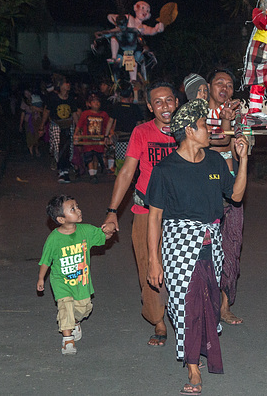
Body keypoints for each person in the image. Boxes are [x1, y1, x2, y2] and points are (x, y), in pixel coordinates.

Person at [146, 99, 249, 395]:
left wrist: (242, 159)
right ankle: (192, 368)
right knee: (187, 305)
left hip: (210, 243)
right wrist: (154, 260)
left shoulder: (215, 161)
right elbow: (155, 217)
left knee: (208, 304)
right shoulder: (166, 169)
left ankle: (196, 353)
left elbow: (237, 195)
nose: (209, 130)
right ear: (189, 130)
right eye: (204, 125)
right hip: (178, 244)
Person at [103, 81, 178, 346]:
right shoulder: (142, 132)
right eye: (158, 102)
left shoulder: (188, 130)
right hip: (145, 209)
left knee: (184, 267)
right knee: (148, 265)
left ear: (176, 102)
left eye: (169, 100)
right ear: (149, 107)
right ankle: (158, 321)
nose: (164, 106)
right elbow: (127, 172)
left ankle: (185, 318)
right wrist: (113, 211)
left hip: (181, 213)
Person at [37, 195, 114, 355]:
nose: (78, 210)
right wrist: (41, 278)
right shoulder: (54, 239)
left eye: (77, 206)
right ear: (61, 219)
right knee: (65, 307)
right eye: (72, 209)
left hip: (81, 282)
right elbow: (46, 260)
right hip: (61, 282)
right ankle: (68, 340)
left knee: (85, 308)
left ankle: (75, 321)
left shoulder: (86, 230)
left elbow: (104, 236)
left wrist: (110, 228)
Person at [206, 69, 245, 325]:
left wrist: (232, 121)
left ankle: (224, 305)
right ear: (208, 86)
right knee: (204, 251)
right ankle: (203, 303)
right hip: (203, 190)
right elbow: (211, 144)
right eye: (219, 82)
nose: (225, 88)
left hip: (230, 188)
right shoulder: (198, 114)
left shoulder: (238, 115)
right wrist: (225, 123)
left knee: (230, 247)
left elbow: (233, 148)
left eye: (230, 85)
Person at [40, 75, 82, 184]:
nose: (68, 85)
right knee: (58, 147)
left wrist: (78, 128)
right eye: (65, 83)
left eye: (68, 83)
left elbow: (74, 114)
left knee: (68, 149)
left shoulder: (71, 98)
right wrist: (41, 126)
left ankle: (65, 170)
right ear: (60, 85)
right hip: (56, 125)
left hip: (68, 126)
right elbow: (47, 112)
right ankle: (61, 170)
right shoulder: (53, 98)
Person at [107, 81, 145, 173]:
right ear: (131, 94)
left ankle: (123, 177)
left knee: (121, 160)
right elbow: (139, 124)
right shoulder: (134, 108)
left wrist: (106, 135)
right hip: (132, 138)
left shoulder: (117, 106)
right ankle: (130, 179)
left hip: (121, 139)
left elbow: (110, 121)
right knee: (132, 159)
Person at [74, 92, 110, 184]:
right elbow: (79, 125)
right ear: (89, 104)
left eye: (98, 102)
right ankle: (92, 175)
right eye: (93, 102)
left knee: (96, 157)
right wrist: (76, 134)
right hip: (88, 140)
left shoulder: (104, 114)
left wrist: (110, 135)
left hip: (99, 140)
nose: (96, 103)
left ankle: (94, 173)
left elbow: (108, 126)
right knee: (89, 156)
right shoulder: (85, 113)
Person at [19, 90, 43, 157]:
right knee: (29, 136)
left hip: (37, 120)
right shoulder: (24, 102)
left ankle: (36, 149)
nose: (27, 94)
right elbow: (23, 114)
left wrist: (36, 108)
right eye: (25, 93)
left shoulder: (37, 100)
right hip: (28, 120)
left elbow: (42, 110)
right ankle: (31, 151)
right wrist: (21, 124)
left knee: (37, 136)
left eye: (28, 92)